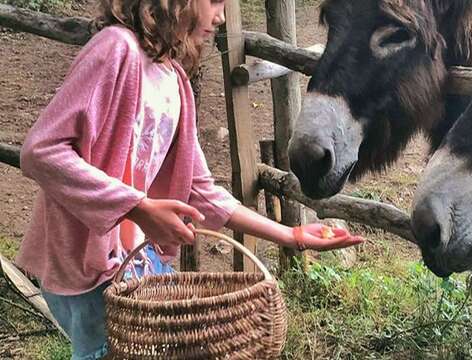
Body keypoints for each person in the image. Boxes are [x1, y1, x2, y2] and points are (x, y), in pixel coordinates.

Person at [15, 0, 364, 358]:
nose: (222, 16)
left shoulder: (175, 79)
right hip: (87, 266)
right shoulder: (114, 50)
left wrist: (292, 236)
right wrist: (137, 207)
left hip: (137, 262)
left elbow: (201, 189)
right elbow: (41, 151)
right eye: (215, 1)